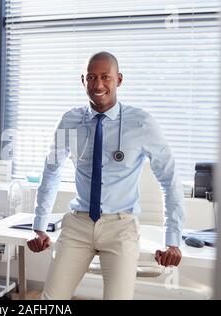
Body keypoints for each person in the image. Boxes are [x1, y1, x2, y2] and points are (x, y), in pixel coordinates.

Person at [27, 51, 185, 300]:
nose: (98, 85)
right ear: (83, 81)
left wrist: (172, 240)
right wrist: (38, 226)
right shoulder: (70, 121)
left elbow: (170, 179)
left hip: (121, 226)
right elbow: (51, 171)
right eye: (91, 77)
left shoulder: (141, 123)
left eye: (105, 77)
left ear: (119, 79)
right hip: (78, 223)